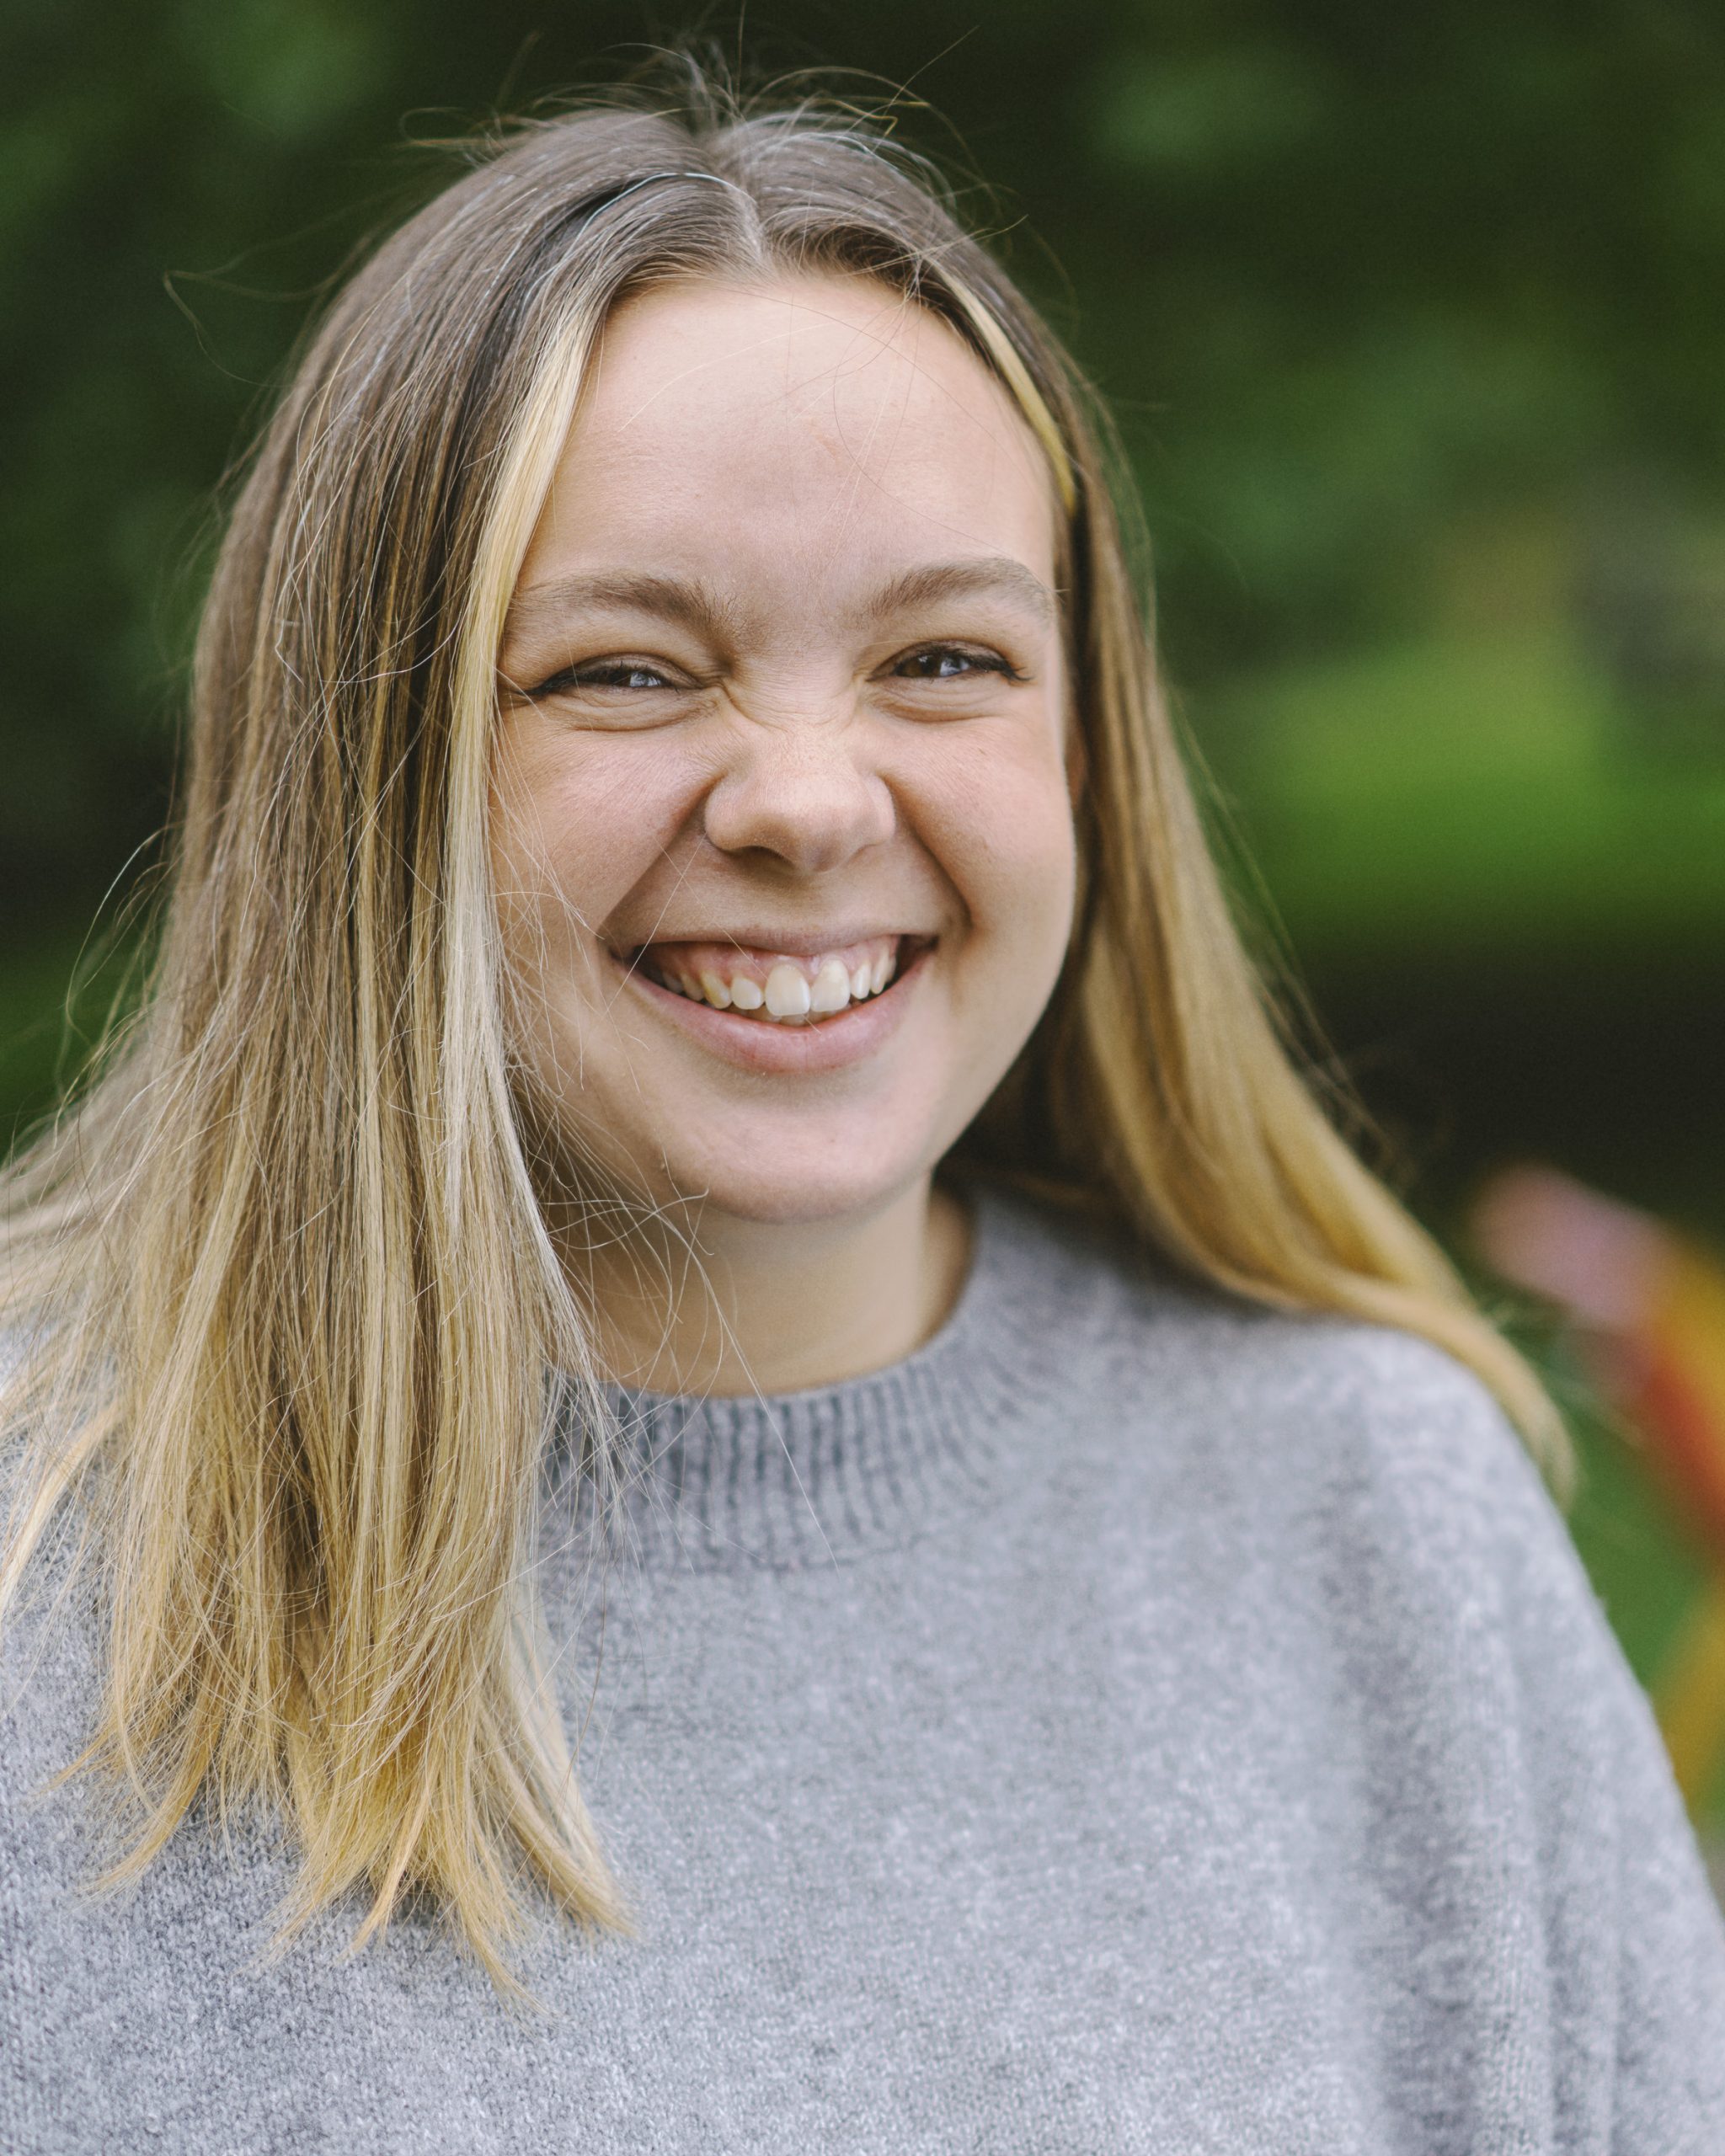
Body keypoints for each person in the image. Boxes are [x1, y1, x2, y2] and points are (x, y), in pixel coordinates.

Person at [2, 72, 1722, 2154]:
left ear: (1085, 747)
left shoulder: (1376, 1511)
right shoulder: (47, 1584)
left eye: (941, 658)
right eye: (626, 672)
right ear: (363, 785)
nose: (810, 804)